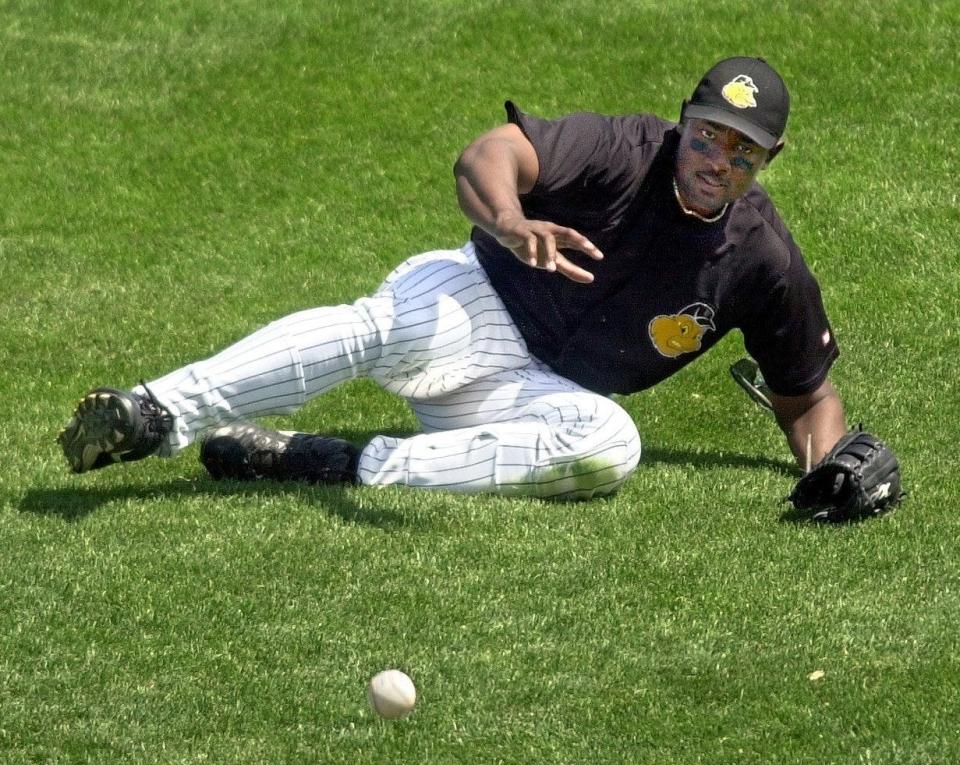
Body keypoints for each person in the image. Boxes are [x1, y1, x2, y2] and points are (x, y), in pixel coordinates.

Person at [59, 56, 848, 500]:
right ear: (686, 119)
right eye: (710, 135)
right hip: (476, 304)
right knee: (384, 328)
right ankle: (155, 411)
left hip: (530, 394)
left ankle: (330, 462)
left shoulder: (761, 257)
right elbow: (487, 155)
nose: (719, 160)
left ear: (766, 160)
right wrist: (511, 222)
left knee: (612, 445)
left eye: (742, 151)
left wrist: (832, 467)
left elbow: (807, 395)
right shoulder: (622, 149)